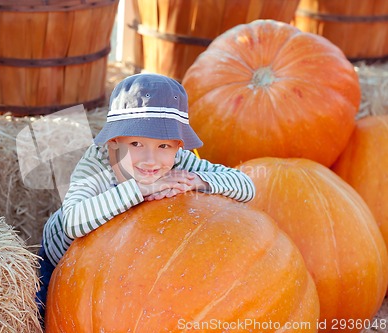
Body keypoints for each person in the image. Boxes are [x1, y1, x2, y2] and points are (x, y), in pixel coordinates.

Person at [36, 73, 255, 320]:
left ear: (178, 146)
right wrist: (140, 189)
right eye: (137, 144)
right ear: (114, 142)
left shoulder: (180, 162)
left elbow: (246, 187)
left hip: (117, 263)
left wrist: (198, 181)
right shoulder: (96, 164)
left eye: (163, 146)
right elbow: (73, 222)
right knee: (46, 316)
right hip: (62, 261)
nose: (151, 160)